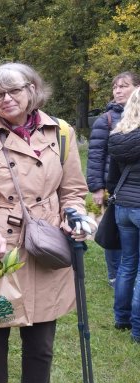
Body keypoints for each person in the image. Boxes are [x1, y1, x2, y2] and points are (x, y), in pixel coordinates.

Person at [0, 63, 88, 383]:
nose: (6, 99)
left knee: (41, 341)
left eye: (14, 90)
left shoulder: (61, 132)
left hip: (45, 246)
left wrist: (73, 217)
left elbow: (73, 191)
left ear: (32, 89)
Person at [87, 71, 140, 287]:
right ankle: (114, 275)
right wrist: (97, 187)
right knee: (111, 231)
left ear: (136, 88)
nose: (117, 91)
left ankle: (125, 279)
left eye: (123, 86)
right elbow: (96, 156)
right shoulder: (106, 119)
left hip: (128, 186)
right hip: (114, 185)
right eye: (115, 87)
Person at [106, 87, 140, 343]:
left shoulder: (119, 135)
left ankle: (122, 317)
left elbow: (112, 177)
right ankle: (138, 328)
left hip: (123, 207)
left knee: (127, 263)